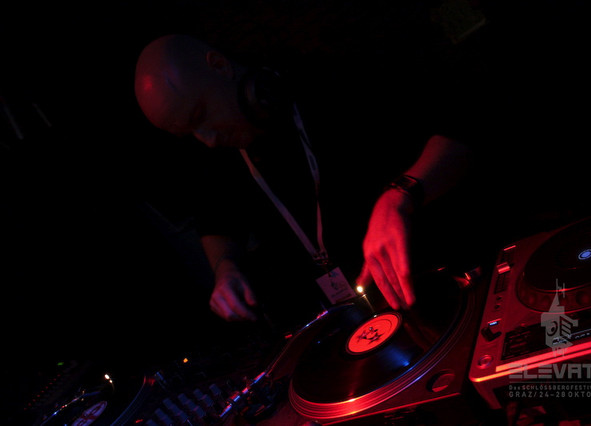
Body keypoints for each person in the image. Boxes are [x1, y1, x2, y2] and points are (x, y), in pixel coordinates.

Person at [133, 33, 487, 324]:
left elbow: (461, 131)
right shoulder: (216, 148)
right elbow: (217, 221)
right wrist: (226, 267)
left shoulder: (334, 75)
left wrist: (401, 196)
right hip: (354, 318)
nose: (207, 139)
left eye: (201, 115)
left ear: (220, 65)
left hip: (442, 282)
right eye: (190, 132)